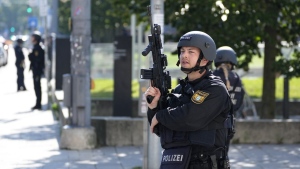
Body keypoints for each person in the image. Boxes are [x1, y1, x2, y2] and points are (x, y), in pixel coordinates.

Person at [145, 31, 232, 169]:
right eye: (183, 51)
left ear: (205, 59)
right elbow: (159, 128)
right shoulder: (180, 90)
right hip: (177, 163)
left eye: (191, 52)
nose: (184, 55)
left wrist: (160, 115)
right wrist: (154, 106)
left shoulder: (215, 89)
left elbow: (190, 117)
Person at [213, 46, 245, 118]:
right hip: (230, 119)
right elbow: (241, 97)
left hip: (213, 120)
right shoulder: (236, 77)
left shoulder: (212, 76)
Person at [28, 32, 45, 110]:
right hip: (35, 70)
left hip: (37, 70)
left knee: (37, 87)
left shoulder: (37, 48)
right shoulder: (35, 47)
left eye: (33, 37)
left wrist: (30, 56)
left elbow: (37, 59)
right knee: (36, 87)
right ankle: (37, 103)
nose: (32, 39)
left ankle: (38, 104)